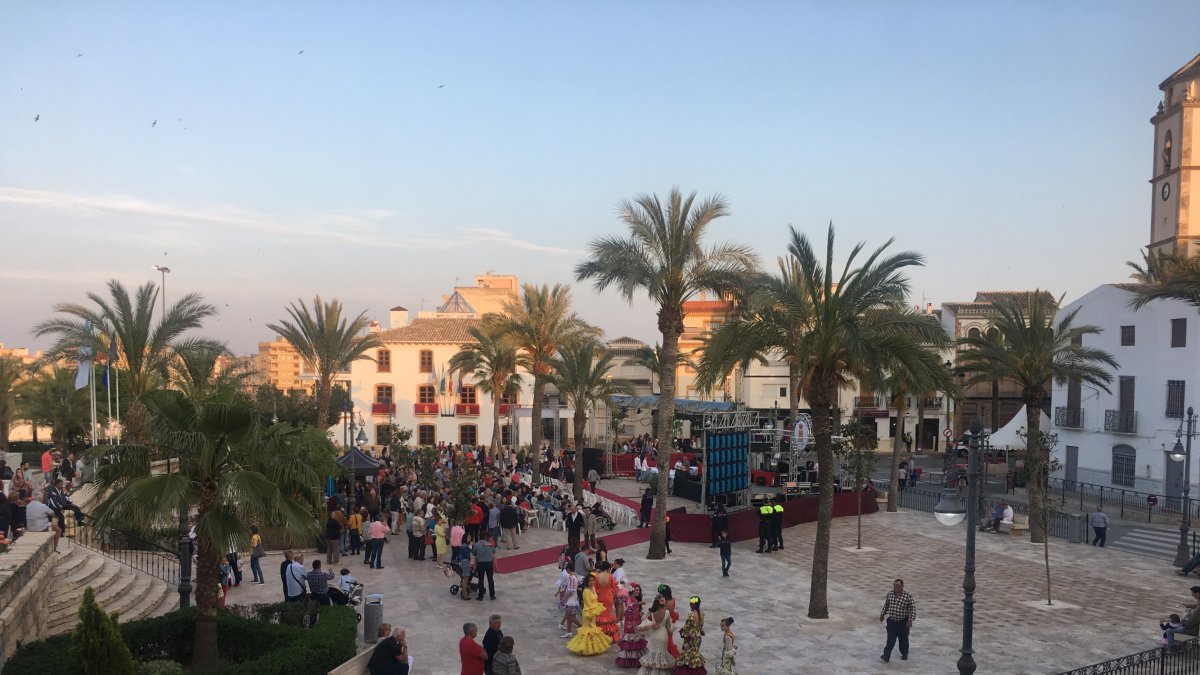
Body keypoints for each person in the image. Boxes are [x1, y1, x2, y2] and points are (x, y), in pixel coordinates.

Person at [567, 572, 613, 655]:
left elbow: (595, 600)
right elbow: (589, 604)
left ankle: (592, 647)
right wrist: (596, 609)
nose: (592, 582)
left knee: (593, 629)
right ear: (587, 582)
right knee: (587, 630)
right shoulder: (586, 591)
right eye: (590, 581)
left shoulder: (593, 589)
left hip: (593, 611)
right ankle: (583, 648)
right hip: (588, 612)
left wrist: (598, 607)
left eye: (593, 580)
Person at [879, 578, 916, 662]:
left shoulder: (907, 596)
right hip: (892, 622)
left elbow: (912, 609)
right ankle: (886, 655)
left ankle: (904, 653)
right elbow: (886, 605)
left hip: (903, 622)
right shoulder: (890, 594)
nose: (895, 587)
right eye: (894, 585)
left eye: (897, 585)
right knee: (890, 639)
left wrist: (910, 620)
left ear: (902, 586)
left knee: (903, 639)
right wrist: (882, 614)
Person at [637, 592, 675, 673]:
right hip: (663, 634)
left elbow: (643, 618)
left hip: (654, 634)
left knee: (653, 652)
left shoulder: (652, 611)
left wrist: (651, 624)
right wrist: (672, 626)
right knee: (662, 653)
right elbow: (669, 628)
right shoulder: (667, 612)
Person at [615, 582, 647, 668]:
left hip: (636, 622)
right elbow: (629, 609)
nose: (638, 591)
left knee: (635, 640)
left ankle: (634, 659)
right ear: (632, 590)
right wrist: (638, 604)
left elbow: (635, 610)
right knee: (631, 639)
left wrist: (640, 613)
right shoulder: (629, 598)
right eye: (636, 590)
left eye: (639, 590)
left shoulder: (635, 599)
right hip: (630, 623)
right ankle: (630, 661)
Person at [674, 595, 706, 675]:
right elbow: (701, 626)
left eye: (691, 603)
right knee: (695, 654)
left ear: (693, 604)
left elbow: (687, 629)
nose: (690, 604)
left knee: (687, 654)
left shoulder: (691, 615)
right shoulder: (702, 614)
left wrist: (682, 632)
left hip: (690, 638)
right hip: (698, 637)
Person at [595, 561, 620, 642]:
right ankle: (609, 635)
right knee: (608, 616)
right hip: (608, 598)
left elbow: (595, 589)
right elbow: (614, 588)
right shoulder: (610, 576)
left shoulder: (597, 576)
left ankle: (600, 635)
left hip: (599, 597)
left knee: (600, 615)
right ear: (608, 568)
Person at [558, 566, 581, 638]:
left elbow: (571, 591)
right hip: (573, 599)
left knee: (570, 616)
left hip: (571, 600)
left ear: (568, 569)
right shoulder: (575, 576)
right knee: (569, 616)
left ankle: (582, 627)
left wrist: (564, 598)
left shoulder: (572, 577)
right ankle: (569, 631)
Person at [474, 531, 497, 601]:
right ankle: (492, 595)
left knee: (481, 580)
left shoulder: (476, 545)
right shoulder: (491, 544)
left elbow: (474, 553)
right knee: (490, 580)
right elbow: (494, 553)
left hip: (480, 564)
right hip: (489, 563)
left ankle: (480, 596)